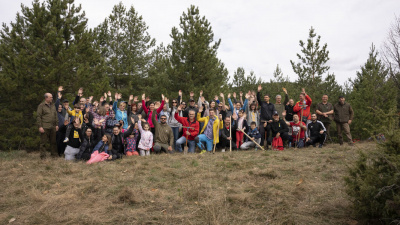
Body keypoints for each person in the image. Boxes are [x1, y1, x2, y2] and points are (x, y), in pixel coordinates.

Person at [37, 92, 59, 159]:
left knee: (53, 142)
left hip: (53, 126)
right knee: (43, 143)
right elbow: (38, 116)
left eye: (52, 97)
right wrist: (40, 126)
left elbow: (55, 115)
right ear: (46, 98)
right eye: (50, 97)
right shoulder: (41, 106)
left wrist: (57, 125)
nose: (52, 98)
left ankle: (54, 155)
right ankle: (43, 156)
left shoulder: (53, 105)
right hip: (45, 127)